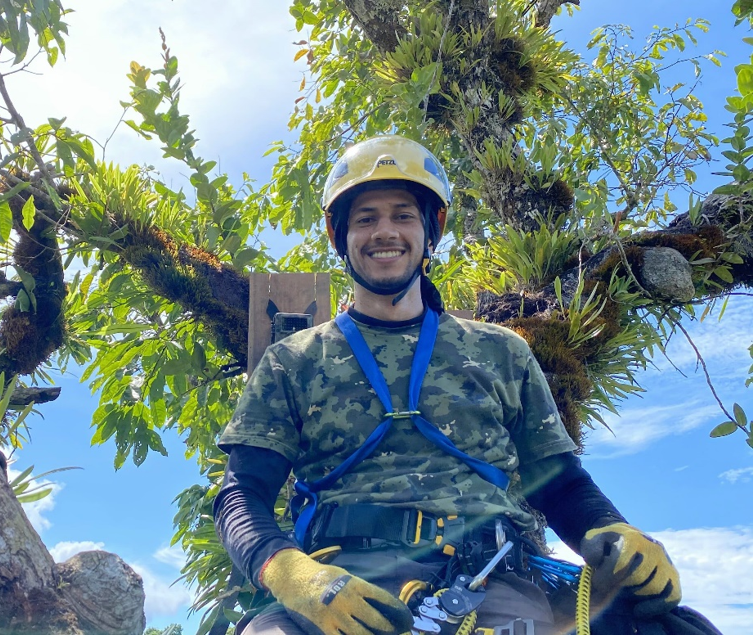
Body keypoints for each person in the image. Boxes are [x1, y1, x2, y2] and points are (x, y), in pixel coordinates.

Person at [213, 136, 682, 635]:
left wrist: (615, 532)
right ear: (341, 236)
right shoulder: (295, 359)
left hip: (494, 582)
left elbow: (562, 484)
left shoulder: (501, 351)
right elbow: (241, 493)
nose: (384, 232)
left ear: (431, 232)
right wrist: (292, 574)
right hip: (342, 589)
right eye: (365, 218)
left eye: (403, 215)